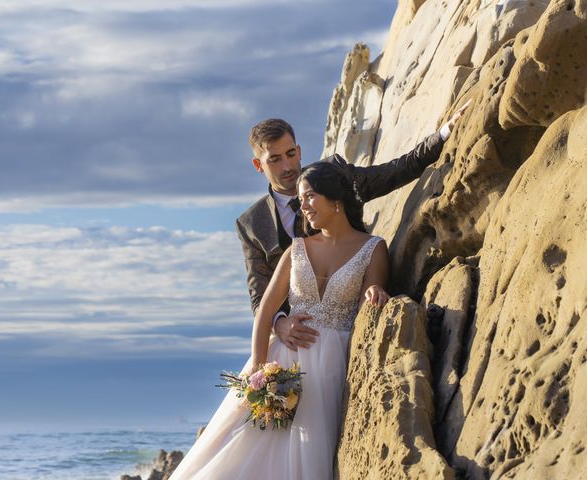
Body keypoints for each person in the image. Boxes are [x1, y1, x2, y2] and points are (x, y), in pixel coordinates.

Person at [170, 161, 389, 480]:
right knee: (243, 447)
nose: (304, 206)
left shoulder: (373, 248)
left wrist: (375, 292)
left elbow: (372, 290)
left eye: (310, 196)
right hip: (281, 361)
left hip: (331, 366)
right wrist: (259, 371)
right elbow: (265, 310)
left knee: (304, 454)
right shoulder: (296, 250)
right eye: (301, 200)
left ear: (335, 198)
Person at [236, 103, 469, 352]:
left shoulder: (333, 176)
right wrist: (279, 325)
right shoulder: (252, 223)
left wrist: (444, 133)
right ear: (258, 165)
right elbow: (260, 296)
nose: (287, 167)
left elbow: (394, 171)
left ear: (300, 150)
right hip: (292, 342)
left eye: (291, 154)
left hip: (355, 324)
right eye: (274, 159)